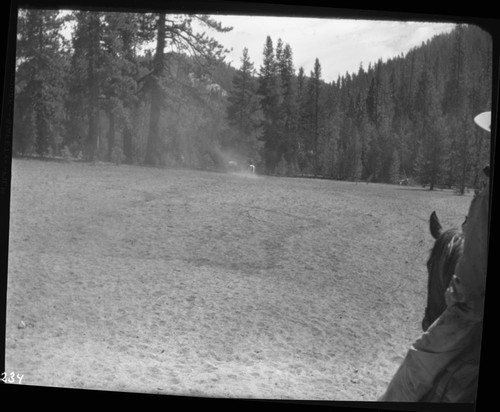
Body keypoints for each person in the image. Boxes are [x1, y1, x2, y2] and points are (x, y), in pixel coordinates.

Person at [379, 111, 491, 402]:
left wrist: (455, 301)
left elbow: (471, 281)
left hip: (473, 312)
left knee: (412, 371)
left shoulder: (488, 197)